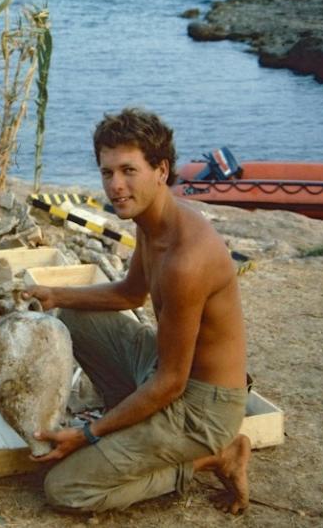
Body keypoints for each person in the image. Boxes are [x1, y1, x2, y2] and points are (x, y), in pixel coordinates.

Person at [24, 107, 251, 515]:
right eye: (107, 172)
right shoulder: (153, 224)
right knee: (72, 316)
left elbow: (170, 385)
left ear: (161, 170)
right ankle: (129, 420)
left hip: (202, 407)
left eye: (129, 170)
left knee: (66, 488)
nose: (116, 186)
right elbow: (129, 295)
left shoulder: (186, 259)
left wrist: (88, 434)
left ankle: (216, 455)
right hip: (165, 371)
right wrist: (54, 295)